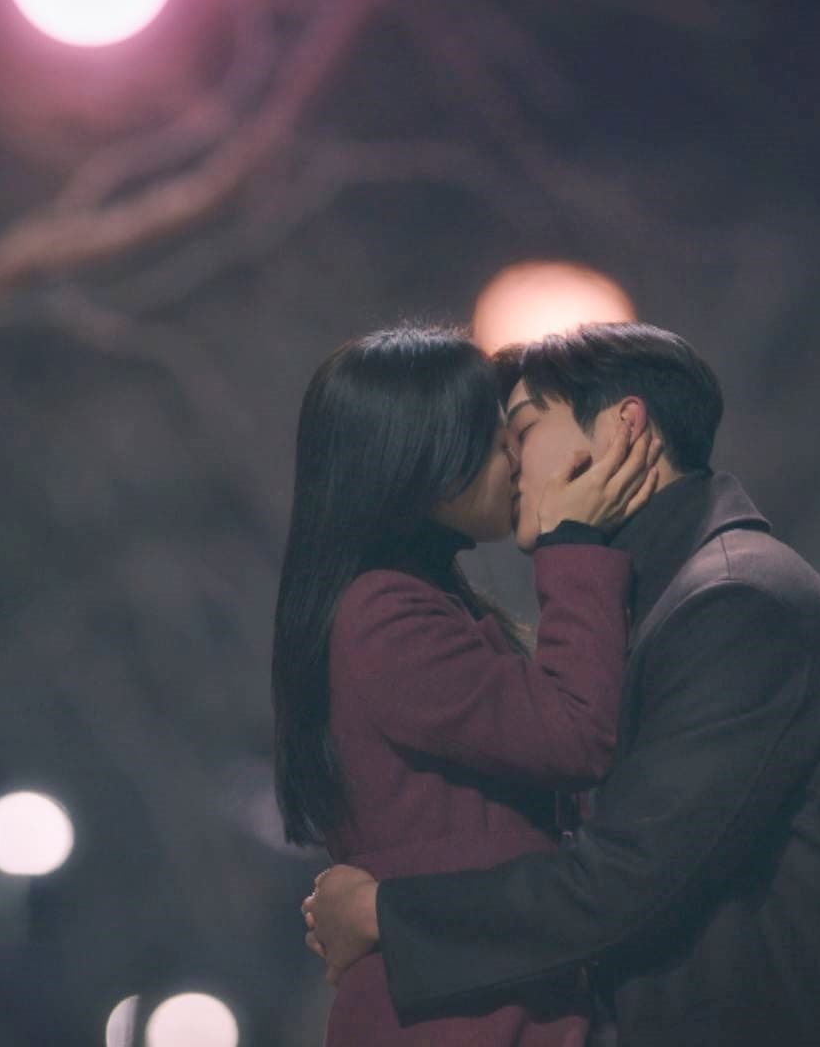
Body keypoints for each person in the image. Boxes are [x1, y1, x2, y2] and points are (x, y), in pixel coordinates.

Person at [304, 323, 820, 1047]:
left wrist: (384, 914)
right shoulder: (675, 601)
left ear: (624, 427)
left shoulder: (735, 604)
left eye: (523, 428)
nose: (510, 457)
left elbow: (622, 879)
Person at [273, 325, 662, 1045]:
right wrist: (574, 540)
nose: (513, 456)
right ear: (416, 458)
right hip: (456, 1017)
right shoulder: (384, 618)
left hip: (473, 1003)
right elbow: (576, 734)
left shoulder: (416, 605)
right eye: (488, 437)